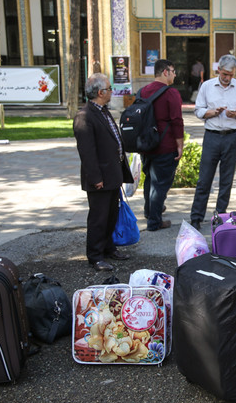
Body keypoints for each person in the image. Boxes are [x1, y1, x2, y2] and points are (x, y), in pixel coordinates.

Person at [74, 73, 134, 272]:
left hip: (112, 175)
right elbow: (87, 152)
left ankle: (109, 248)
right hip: (100, 178)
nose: (111, 91)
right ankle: (95, 256)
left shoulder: (103, 111)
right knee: (99, 218)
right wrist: (95, 178)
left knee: (111, 216)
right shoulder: (85, 116)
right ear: (100, 92)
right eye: (109, 88)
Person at [190, 54, 236, 230]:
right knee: (204, 179)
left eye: (231, 75)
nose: (227, 78)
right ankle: (196, 217)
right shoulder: (207, 86)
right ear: (218, 70)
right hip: (212, 136)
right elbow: (199, 110)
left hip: (232, 136)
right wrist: (213, 112)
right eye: (225, 74)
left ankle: (220, 215)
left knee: (227, 180)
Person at [139, 59, 184, 231]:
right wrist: (180, 145)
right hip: (165, 145)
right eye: (173, 71)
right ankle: (154, 222)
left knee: (150, 179)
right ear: (166, 72)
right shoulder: (171, 93)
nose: (174, 74)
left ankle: (149, 211)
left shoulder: (142, 91)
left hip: (146, 144)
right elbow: (177, 121)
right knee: (160, 184)